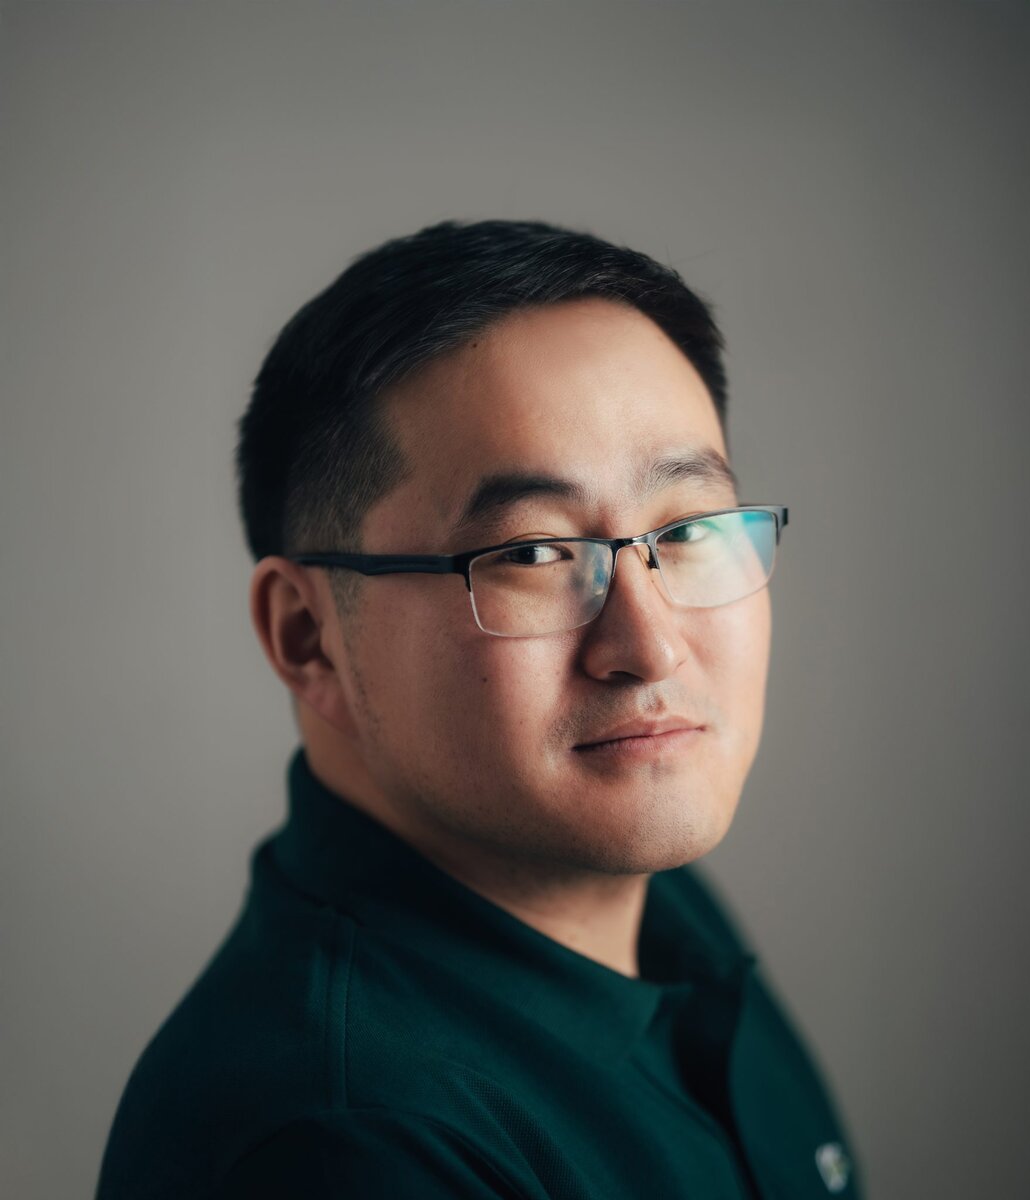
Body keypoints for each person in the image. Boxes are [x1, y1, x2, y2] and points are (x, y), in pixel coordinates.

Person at [96, 219, 861, 1199]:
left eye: (688, 530)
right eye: (532, 554)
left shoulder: (640, 892)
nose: (651, 646)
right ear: (308, 635)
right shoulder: (349, 1143)